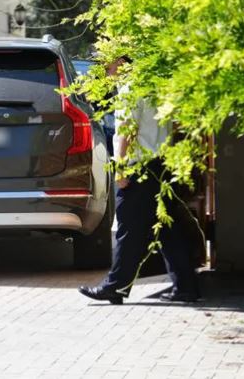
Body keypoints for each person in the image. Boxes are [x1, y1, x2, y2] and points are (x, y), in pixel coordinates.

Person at [78, 56, 199, 304]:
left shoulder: (130, 89)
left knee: (129, 228)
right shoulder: (154, 86)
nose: (107, 71)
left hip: (140, 168)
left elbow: (128, 130)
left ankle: (115, 287)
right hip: (161, 165)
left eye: (108, 65)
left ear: (122, 62)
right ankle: (186, 286)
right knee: (167, 228)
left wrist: (121, 169)